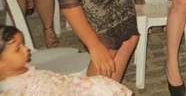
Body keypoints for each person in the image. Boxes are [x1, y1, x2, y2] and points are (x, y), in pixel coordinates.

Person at [0, 25, 132, 95]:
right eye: (18, 49)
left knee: (102, 85)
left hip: (65, 86)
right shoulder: (10, 88)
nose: (26, 48)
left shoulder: (20, 66)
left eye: (23, 44)